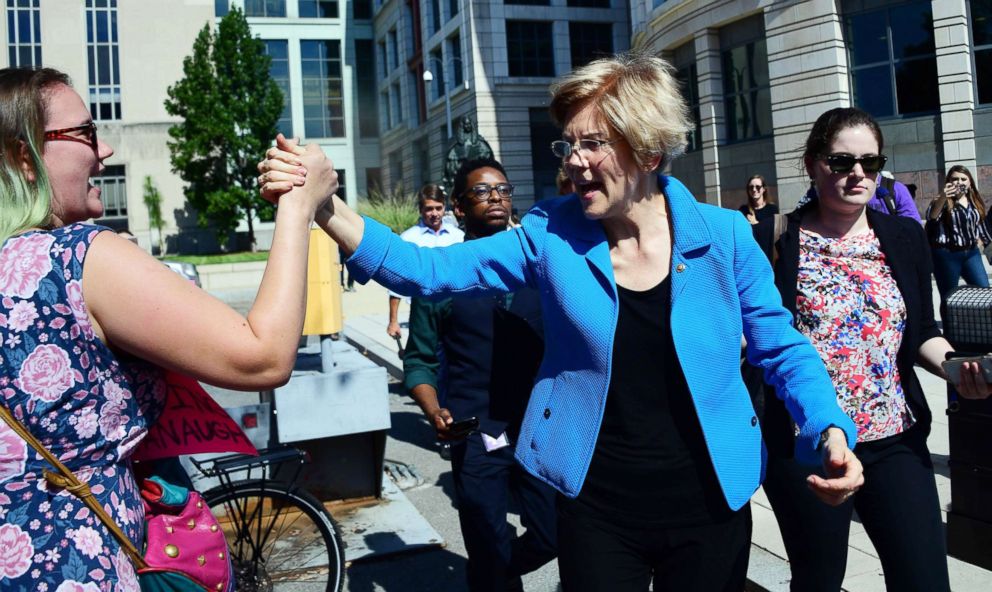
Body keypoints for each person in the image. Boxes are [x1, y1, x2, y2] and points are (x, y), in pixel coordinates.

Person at [258, 53, 865, 591]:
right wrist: (325, 203)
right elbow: (425, 271)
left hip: (711, 502)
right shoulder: (551, 234)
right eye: (567, 144)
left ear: (649, 149)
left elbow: (782, 348)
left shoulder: (726, 237)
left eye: (592, 143)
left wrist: (829, 429)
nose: (573, 162)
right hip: (596, 509)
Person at [0, 68, 333, 590]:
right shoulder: (76, 257)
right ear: (25, 158)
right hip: (72, 567)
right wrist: (297, 206)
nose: (104, 148)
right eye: (85, 133)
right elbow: (262, 356)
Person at [753, 107, 991, 592]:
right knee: (819, 580)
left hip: (895, 436)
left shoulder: (903, 236)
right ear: (813, 163)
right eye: (842, 162)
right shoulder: (776, 240)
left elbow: (921, 331)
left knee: (925, 579)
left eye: (870, 161)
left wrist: (955, 369)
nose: (858, 173)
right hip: (809, 445)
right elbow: (763, 339)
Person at [404, 157, 556, 592]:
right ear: (457, 205)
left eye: (504, 190)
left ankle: (491, 574)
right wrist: (433, 409)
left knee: (552, 534)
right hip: (474, 432)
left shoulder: (540, 265)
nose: (497, 199)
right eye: (483, 191)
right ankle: (492, 574)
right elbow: (419, 359)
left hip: (538, 429)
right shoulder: (442, 275)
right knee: (487, 538)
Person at [386, 183, 463, 339]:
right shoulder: (408, 239)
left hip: (455, 309)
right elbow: (397, 283)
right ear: (420, 210)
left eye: (438, 208)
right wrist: (393, 321)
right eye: (429, 209)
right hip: (422, 312)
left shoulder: (458, 237)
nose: (434, 213)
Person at [924, 164, 991, 313]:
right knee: (949, 298)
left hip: (971, 254)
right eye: (955, 179)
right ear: (949, 181)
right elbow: (931, 217)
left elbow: (980, 223)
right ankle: (949, 333)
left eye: (963, 179)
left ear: (970, 182)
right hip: (946, 255)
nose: (959, 182)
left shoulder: (974, 200)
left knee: (985, 292)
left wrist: (980, 242)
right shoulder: (940, 200)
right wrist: (943, 196)